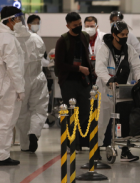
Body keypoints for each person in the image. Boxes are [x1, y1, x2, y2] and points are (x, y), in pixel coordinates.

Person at [95, 21, 140, 162]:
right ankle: (96, 150)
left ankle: (125, 150)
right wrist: (109, 81)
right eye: (122, 34)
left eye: (127, 34)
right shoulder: (103, 49)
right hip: (104, 91)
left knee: (123, 123)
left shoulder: (129, 50)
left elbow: (136, 67)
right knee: (101, 123)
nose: (125, 37)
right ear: (114, 35)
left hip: (122, 92)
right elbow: (100, 69)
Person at [55, 12, 94, 150]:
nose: (78, 27)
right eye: (75, 25)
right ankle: (72, 144)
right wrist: (79, 69)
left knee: (85, 111)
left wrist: (90, 74)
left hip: (84, 81)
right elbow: (59, 65)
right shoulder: (62, 41)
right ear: (68, 26)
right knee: (71, 113)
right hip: (68, 81)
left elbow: (86, 57)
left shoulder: (84, 36)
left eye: (79, 24)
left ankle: (74, 138)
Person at [14, 14, 49, 153]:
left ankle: (25, 144)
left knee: (21, 112)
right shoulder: (36, 38)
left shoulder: (12, 39)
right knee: (39, 108)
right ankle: (34, 132)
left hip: (20, 79)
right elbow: (42, 54)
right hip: (37, 77)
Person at [0, 6, 25, 165]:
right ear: (9, 20)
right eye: (18, 19)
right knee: (7, 121)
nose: (20, 22)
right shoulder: (7, 38)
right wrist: (20, 89)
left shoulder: (5, 36)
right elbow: (13, 66)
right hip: (8, 86)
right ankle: (2, 155)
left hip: (4, 84)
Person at [27, 15, 53, 129]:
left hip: (35, 75)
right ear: (29, 24)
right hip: (30, 75)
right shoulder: (29, 38)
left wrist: (49, 61)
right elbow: (38, 58)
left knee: (36, 103)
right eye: (35, 23)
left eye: (38, 22)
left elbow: (42, 56)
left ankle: (35, 126)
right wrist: (49, 63)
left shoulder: (36, 37)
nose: (37, 25)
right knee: (34, 104)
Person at [83, 16, 105, 84]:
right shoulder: (80, 37)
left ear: (96, 26)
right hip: (85, 68)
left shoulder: (103, 37)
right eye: (87, 26)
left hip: (100, 68)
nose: (89, 28)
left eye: (92, 26)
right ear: (84, 26)